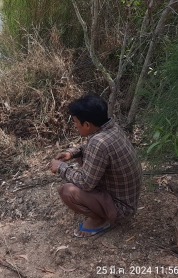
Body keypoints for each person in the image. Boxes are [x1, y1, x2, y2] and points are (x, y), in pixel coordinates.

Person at [50, 94, 142, 238]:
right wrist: (71, 154)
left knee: (67, 191)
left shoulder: (98, 143)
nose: (75, 126)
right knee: (83, 159)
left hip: (121, 208)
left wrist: (61, 167)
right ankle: (101, 210)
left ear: (87, 124)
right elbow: (88, 148)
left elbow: (85, 183)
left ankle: (100, 220)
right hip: (127, 199)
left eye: (76, 123)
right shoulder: (111, 128)